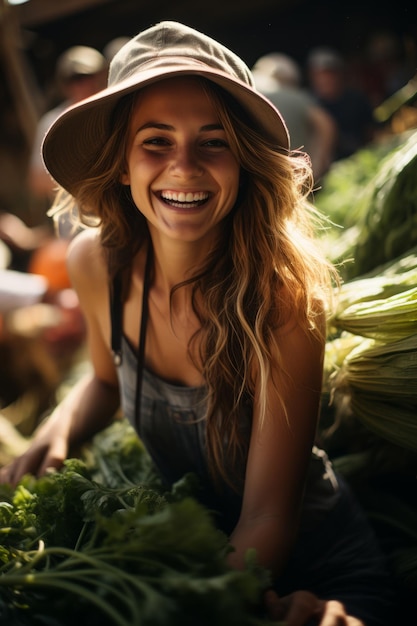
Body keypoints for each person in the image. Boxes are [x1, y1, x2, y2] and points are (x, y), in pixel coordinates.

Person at [0, 21, 395, 626]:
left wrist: (192, 601)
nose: (183, 166)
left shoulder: (284, 299)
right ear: (122, 164)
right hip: (204, 550)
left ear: (244, 161)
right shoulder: (93, 262)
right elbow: (105, 380)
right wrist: (59, 431)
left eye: (213, 142)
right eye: (155, 141)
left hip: (319, 571)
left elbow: (268, 517)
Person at [28, 45, 108, 214]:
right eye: (75, 79)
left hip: (116, 208)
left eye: (89, 76)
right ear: (65, 84)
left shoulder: (113, 110)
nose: (83, 84)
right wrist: (86, 178)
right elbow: (37, 181)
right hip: (75, 218)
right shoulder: (52, 121)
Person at [252, 52, 337, 181]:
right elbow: (326, 126)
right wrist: (316, 168)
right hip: (293, 177)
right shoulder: (301, 99)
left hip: (258, 174)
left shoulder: (251, 94)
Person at [307, 47, 376, 161]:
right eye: (320, 75)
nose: (325, 79)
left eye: (330, 74)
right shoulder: (309, 103)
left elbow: (371, 132)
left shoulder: (356, 99)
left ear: (340, 75)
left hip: (358, 160)